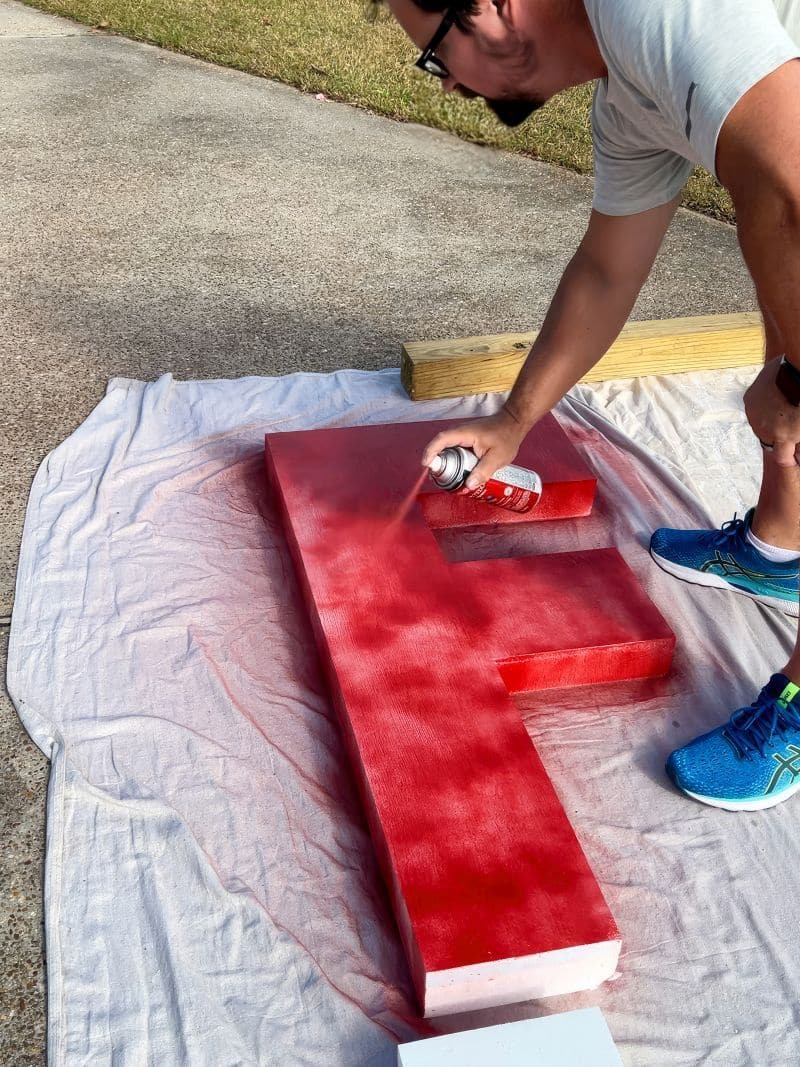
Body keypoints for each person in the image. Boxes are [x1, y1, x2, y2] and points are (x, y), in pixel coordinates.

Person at [377, 0, 800, 810]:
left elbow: (790, 191)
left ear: (494, 8)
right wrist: (513, 420)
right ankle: (780, 550)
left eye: (435, 56)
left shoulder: (648, 10)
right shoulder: (629, 95)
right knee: (777, 270)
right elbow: (608, 272)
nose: (448, 90)